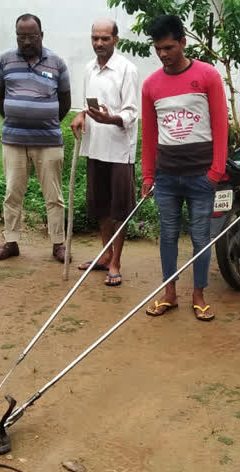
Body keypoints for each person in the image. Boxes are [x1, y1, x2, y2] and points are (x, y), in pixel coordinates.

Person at [140, 15, 228, 320]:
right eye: (158, 48)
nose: (163, 54)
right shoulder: (151, 85)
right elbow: (149, 135)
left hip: (201, 176)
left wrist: (215, 172)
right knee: (167, 236)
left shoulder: (207, 76)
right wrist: (148, 175)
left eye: (168, 47)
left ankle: (199, 294)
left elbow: (220, 126)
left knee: (201, 237)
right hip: (166, 177)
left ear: (182, 42)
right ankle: (169, 293)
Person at [0, 13, 72, 263]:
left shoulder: (57, 63)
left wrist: (44, 121)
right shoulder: (4, 61)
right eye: (21, 36)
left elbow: (65, 103)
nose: (26, 41)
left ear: (41, 36)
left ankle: (58, 244)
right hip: (14, 140)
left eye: (31, 36)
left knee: (54, 196)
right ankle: (10, 241)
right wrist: (17, 118)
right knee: (12, 192)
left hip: (49, 141)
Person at [70, 18, 139, 287]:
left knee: (119, 208)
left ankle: (115, 262)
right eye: (95, 38)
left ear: (116, 40)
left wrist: (112, 120)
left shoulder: (127, 70)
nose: (99, 43)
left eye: (105, 39)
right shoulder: (88, 69)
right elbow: (86, 105)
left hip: (120, 151)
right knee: (100, 205)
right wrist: (81, 116)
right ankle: (105, 254)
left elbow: (132, 113)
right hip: (94, 147)